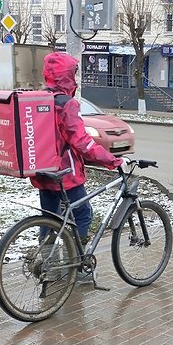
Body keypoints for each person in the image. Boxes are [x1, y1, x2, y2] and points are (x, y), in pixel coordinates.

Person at [30, 52, 123, 252]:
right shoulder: (67, 104)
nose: (76, 78)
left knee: (50, 219)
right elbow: (81, 143)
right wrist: (112, 160)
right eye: (74, 73)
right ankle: (78, 266)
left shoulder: (40, 98)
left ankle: (46, 263)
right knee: (83, 215)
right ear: (67, 75)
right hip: (66, 174)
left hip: (43, 170)